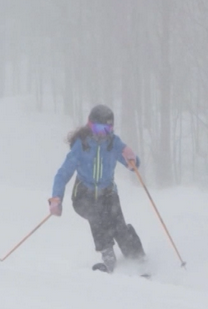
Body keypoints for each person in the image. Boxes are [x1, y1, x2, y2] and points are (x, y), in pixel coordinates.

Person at [49, 105, 145, 272]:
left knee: (118, 226)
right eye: (98, 128)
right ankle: (108, 256)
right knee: (97, 216)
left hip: (108, 194)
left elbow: (131, 164)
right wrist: (56, 198)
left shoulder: (114, 143)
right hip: (83, 195)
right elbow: (63, 173)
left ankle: (137, 260)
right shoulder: (82, 145)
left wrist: (132, 160)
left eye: (107, 128)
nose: (102, 133)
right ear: (90, 125)